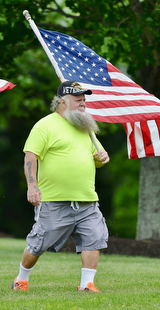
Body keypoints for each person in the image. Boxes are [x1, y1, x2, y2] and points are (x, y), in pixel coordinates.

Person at [11, 80, 110, 293]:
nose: (83, 104)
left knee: (95, 237)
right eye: (78, 100)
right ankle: (21, 279)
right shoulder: (45, 125)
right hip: (54, 200)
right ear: (62, 102)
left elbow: (97, 159)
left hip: (86, 199)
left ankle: (86, 284)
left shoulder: (86, 127)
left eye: (84, 100)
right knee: (39, 243)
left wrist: (102, 157)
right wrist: (32, 186)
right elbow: (31, 156)